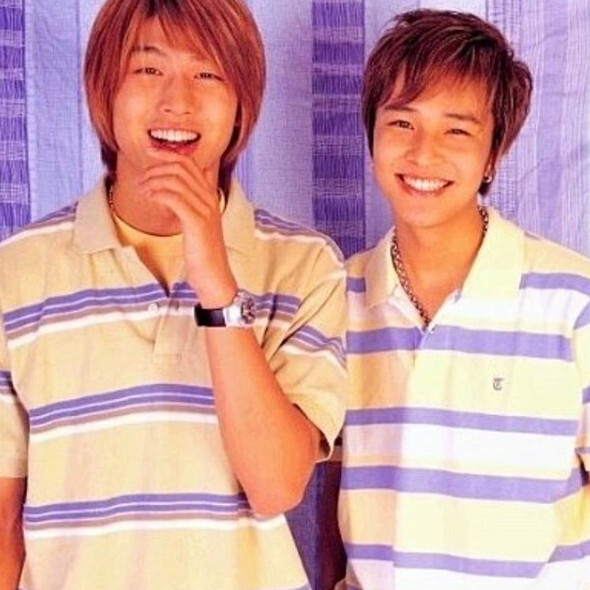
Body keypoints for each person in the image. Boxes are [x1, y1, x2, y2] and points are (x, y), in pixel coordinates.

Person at [0, 1, 347, 588]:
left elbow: (276, 486)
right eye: (148, 69)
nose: (177, 101)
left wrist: (216, 284)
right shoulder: (18, 270)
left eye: (207, 73)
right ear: (104, 91)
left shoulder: (305, 265)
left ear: (241, 105)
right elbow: (3, 517)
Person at [339, 9, 590, 590]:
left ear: (493, 153)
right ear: (372, 135)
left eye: (457, 130)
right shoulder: (339, 297)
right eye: (402, 122)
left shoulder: (572, 301)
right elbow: (340, 478)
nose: (423, 153)